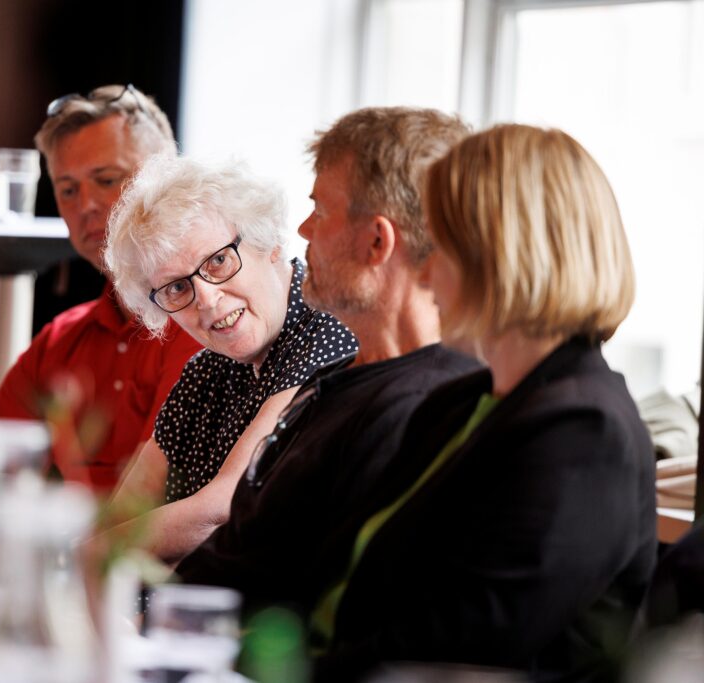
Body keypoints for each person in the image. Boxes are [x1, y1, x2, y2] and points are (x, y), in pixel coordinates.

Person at [309, 124, 656, 681]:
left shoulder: (585, 432)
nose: (423, 274)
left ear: (502, 257)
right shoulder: (459, 403)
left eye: (439, 249)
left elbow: (471, 641)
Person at [176, 107, 480, 612]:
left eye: (321, 209)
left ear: (377, 242)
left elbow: (309, 603)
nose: (302, 228)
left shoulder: (423, 410)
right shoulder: (341, 379)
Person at [102, 155, 358, 564]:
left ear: (268, 243)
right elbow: (123, 511)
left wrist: (78, 559)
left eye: (218, 261)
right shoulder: (206, 370)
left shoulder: (325, 330)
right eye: (176, 287)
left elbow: (222, 508)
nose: (206, 298)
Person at [0, 85, 201, 493]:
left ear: (166, 179)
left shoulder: (202, 321)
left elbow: (152, 502)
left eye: (106, 179)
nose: (85, 203)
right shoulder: (59, 340)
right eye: (67, 189)